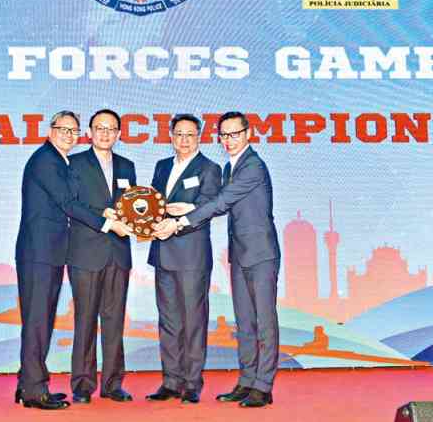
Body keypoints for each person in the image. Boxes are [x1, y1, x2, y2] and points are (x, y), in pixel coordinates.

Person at [156, 111, 281, 408]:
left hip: (261, 254)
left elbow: (221, 201)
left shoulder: (253, 166)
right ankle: (247, 380)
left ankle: (263, 386)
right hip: (239, 255)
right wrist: (188, 207)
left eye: (234, 134)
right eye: (224, 135)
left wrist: (181, 221)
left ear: (248, 134)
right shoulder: (230, 166)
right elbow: (222, 204)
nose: (228, 140)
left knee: (264, 322)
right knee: (245, 322)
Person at [14, 110, 131, 410]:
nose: (68, 134)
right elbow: (68, 203)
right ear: (50, 130)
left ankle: (28, 383)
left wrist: (107, 214)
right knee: (38, 320)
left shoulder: (58, 160)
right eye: (62, 129)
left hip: (51, 252)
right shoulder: (47, 161)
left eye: (71, 130)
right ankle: (33, 391)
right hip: (40, 252)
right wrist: (106, 222)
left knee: (40, 320)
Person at [146, 114, 221, 404]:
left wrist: (185, 211)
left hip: (192, 257)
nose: (184, 140)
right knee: (168, 321)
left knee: (193, 321)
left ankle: (191, 383)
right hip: (163, 253)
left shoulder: (209, 168)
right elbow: (153, 203)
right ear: (171, 136)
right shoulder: (162, 166)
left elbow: (209, 206)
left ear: (199, 137)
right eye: (179, 134)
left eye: (190, 134)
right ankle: (170, 381)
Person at [67, 109, 136, 404]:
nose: (105, 133)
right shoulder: (74, 163)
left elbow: (134, 205)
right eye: (99, 128)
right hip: (85, 252)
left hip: (118, 253)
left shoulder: (127, 165)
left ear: (119, 134)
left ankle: (112, 383)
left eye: (111, 129)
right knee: (84, 320)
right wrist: (103, 217)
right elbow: (71, 204)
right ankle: (82, 385)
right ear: (90, 132)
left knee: (114, 321)